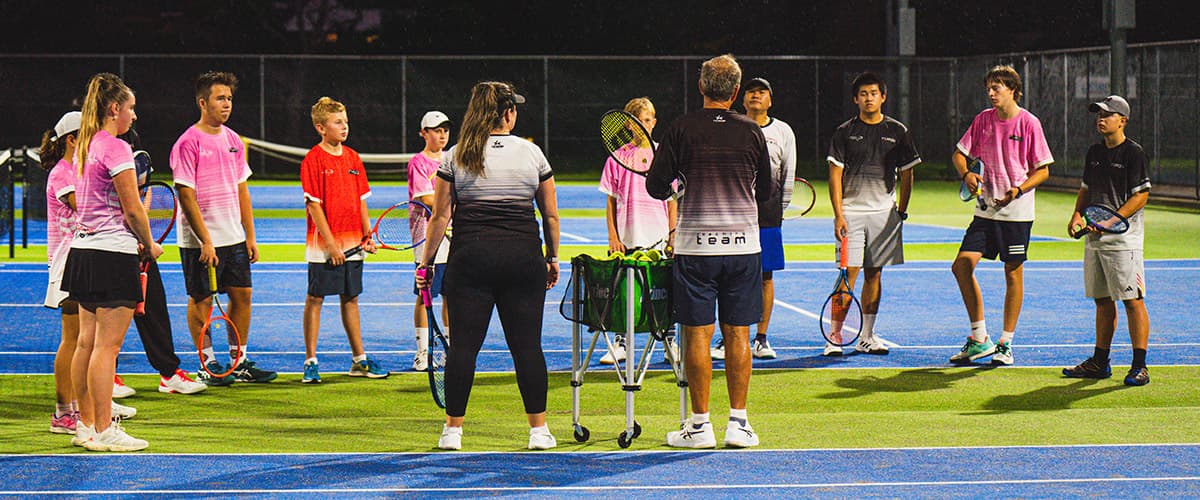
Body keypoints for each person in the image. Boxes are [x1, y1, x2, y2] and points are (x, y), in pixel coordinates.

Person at [416, 81, 561, 451]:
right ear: (507, 113)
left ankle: (452, 431)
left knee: (463, 348)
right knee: (527, 347)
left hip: (471, 260)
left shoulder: (456, 155)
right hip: (522, 259)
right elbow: (551, 216)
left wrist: (426, 263)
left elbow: (441, 216)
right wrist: (553, 258)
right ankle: (539, 431)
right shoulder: (533, 153)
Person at [646, 54, 775, 449]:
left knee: (697, 336)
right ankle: (739, 423)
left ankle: (700, 426)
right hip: (742, 248)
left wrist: (677, 185)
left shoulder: (681, 128)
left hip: (695, 247)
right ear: (736, 92)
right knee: (738, 334)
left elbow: (655, 187)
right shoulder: (752, 131)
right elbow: (766, 192)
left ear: (701, 88)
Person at [61, 73, 160, 451]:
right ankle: (104, 429)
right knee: (107, 347)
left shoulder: (85, 145)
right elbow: (133, 209)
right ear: (114, 108)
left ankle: (84, 426)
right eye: (131, 107)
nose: (134, 115)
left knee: (85, 343)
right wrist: (149, 244)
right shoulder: (116, 149)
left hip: (83, 252)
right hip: (112, 253)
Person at [171, 71, 276, 385]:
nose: (227, 104)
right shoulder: (187, 142)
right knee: (201, 298)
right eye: (220, 98)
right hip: (200, 242)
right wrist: (205, 240)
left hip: (234, 238)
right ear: (203, 102)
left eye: (229, 98)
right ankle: (209, 363)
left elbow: (242, 189)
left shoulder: (233, 140)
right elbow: (185, 194)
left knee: (242, 295)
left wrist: (250, 236)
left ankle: (238, 362)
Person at [949, 65, 1053, 366]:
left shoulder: (1029, 123)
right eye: (989, 88)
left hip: (1016, 213)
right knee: (961, 266)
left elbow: (1043, 170)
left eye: (997, 88)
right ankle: (980, 339)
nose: (991, 93)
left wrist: (1018, 190)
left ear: (1012, 90)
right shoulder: (983, 120)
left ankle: (1006, 343)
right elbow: (959, 153)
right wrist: (967, 172)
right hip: (985, 211)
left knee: (1012, 273)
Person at [824, 72, 921, 357]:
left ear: (883, 97)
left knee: (874, 275)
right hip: (851, 214)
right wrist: (838, 214)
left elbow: (907, 173)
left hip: (884, 215)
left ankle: (867, 336)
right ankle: (835, 335)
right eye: (863, 94)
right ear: (856, 99)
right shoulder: (843, 132)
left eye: (874, 93)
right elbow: (834, 176)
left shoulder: (898, 131)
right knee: (847, 275)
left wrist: (900, 210)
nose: (869, 98)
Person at [1062, 95, 1152, 386]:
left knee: (1132, 300)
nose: (1101, 119)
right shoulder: (1094, 152)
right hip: (1094, 239)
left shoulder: (1133, 153)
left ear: (1123, 120)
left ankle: (1140, 366)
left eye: (1107, 115)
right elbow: (1085, 189)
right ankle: (1100, 362)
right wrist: (1077, 215)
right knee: (1102, 301)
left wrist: (1111, 221)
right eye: (1098, 114)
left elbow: (1141, 195)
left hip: (1124, 242)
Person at [299, 97, 389, 383]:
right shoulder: (313, 159)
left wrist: (368, 235)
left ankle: (359, 360)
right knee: (315, 299)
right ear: (320, 127)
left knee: (351, 298)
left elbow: (362, 201)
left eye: (346, 121)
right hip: (325, 246)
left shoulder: (353, 158)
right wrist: (331, 245)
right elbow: (314, 206)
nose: (344, 127)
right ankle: (311, 361)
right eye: (338, 122)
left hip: (353, 244)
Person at [117, 127, 208, 395]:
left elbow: (139, 202)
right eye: (129, 109)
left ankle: (168, 373)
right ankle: (105, 377)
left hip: (137, 248)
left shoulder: (133, 155)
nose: (134, 116)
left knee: (154, 308)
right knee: (108, 318)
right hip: (107, 250)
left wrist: (144, 241)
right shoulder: (96, 157)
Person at [711, 77, 796, 361]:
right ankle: (728, 338)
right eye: (750, 91)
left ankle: (760, 338)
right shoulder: (731, 125)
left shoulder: (783, 131)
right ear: (741, 98)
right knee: (730, 275)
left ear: (770, 100)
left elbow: (787, 174)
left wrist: (778, 211)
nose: (755, 96)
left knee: (765, 277)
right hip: (734, 212)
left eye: (762, 92)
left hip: (768, 216)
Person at [597, 97, 677, 365]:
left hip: (658, 238)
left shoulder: (664, 155)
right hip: (627, 238)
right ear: (628, 125)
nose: (643, 125)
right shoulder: (617, 158)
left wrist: (673, 233)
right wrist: (613, 236)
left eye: (648, 119)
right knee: (624, 294)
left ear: (654, 122)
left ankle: (669, 342)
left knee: (662, 294)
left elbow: (672, 199)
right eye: (637, 121)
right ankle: (622, 342)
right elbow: (610, 200)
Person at [41, 111, 83, 434]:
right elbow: (82, 205)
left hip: (82, 259)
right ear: (72, 139)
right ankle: (62, 413)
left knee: (83, 338)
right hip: (68, 261)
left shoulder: (75, 169)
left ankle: (78, 407)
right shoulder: (62, 173)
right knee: (72, 338)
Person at [408, 110, 453, 371]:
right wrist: (450, 207)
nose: (442, 134)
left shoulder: (452, 159)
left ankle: (449, 351)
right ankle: (422, 352)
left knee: (451, 296)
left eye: (445, 129)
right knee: (424, 296)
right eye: (436, 130)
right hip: (426, 239)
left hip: (453, 238)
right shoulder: (418, 162)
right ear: (424, 133)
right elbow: (426, 198)